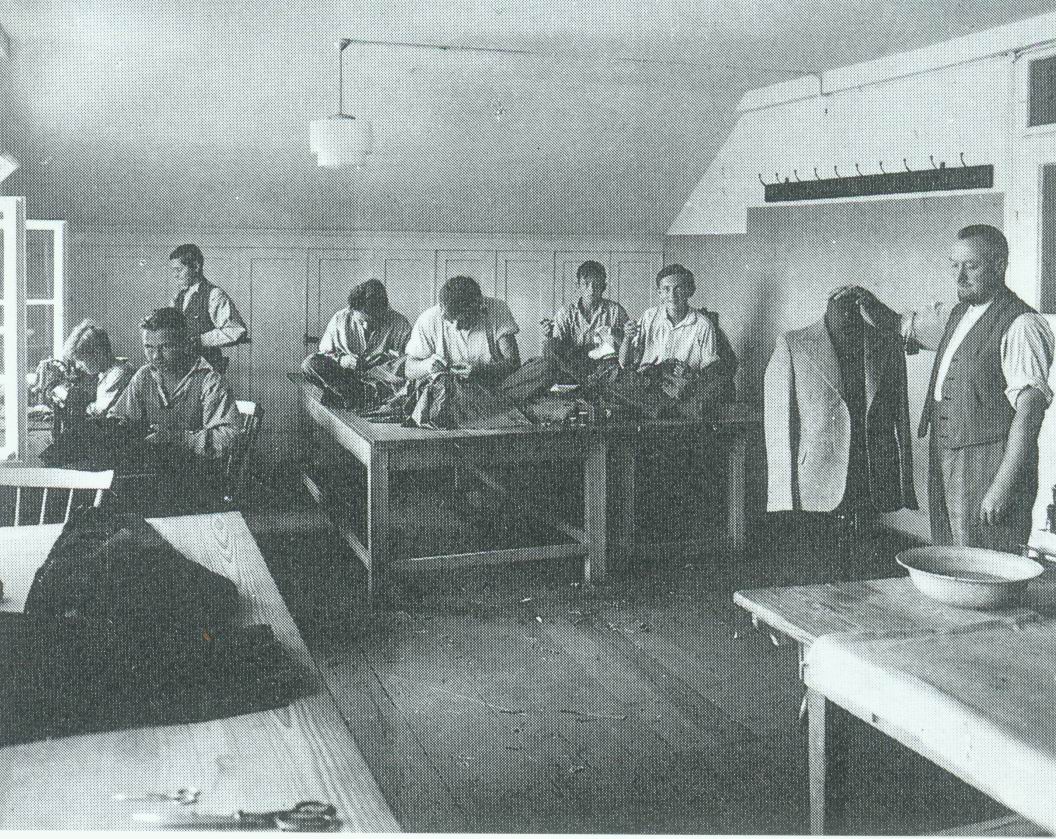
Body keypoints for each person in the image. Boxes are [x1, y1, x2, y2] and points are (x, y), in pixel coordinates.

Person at [849, 224, 1054, 553]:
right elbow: (902, 326)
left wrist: (1002, 485)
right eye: (954, 265)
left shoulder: (1023, 324)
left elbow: (1029, 414)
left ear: (999, 266)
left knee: (984, 559)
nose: (959, 277)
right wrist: (870, 304)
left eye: (971, 266)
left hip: (988, 462)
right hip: (944, 453)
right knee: (948, 553)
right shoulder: (959, 313)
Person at [110, 307, 241, 464]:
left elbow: (230, 438)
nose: (156, 356)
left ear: (184, 344)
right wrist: (116, 425)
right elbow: (119, 417)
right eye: (149, 347)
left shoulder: (210, 381)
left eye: (165, 347)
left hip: (196, 472)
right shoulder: (144, 375)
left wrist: (179, 438)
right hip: (152, 467)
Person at [301, 278, 412, 406]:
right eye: (362, 321)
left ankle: (351, 398)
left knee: (405, 380)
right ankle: (358, 397)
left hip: (381, 381)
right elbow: (324, 352)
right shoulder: (340, 319)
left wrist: (386, 360)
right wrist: (341, 360)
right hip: (347, 379)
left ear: (384, 310)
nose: (366, 326)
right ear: (352, 309)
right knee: (310, 363)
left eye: (374, 321)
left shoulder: (400, 323)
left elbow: (410, 360)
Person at [405, 276, 521, 387]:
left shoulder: (497, 309)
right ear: (442, 309)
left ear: (480, 308)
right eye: (450, 321)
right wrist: (425, 366)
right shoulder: (428, 319)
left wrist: (479, 371)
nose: (455, 327)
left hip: (493, 387)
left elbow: (514, 364)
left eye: (462, 320)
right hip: (448, 391)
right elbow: (408, 370)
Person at [169, 244, 248, 373]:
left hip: (206, 369)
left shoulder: (214, 294)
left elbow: (236, 330)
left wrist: (201, 340)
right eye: (173, 270)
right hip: (180, 367)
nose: (175, 275)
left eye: (179, 270)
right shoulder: (178, 296)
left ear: (196, 267)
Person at [543, 261, 628, 379]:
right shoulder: (565, 312)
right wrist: (549, 335)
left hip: (603, 365)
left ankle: (586, 381)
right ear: (578, 285)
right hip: (572, 365)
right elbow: (556, 349)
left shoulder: (616, 311)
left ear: (604, 287)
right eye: (585, 284)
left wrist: (620, 334)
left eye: (596, 284)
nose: (591, 290)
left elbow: (627, 347)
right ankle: (584, 381)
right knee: (549, 346)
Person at [61, 320, 135, 417]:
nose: (78, 366)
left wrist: (78, 407)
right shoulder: (106, 372)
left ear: (97, 353)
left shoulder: (120, 373)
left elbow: (100, 412)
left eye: (81, 359)